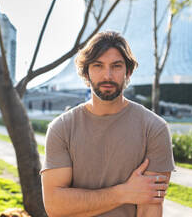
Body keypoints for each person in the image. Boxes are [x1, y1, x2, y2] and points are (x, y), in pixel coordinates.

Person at [40, 31, 175, 217]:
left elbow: (150, 207)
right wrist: (123, 193)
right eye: (98, 66)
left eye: (116, 66)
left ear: (128, 71)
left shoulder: (154, 129)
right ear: (87, 72)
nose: (107, 75)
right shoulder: (62, 128)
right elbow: (55, 206)